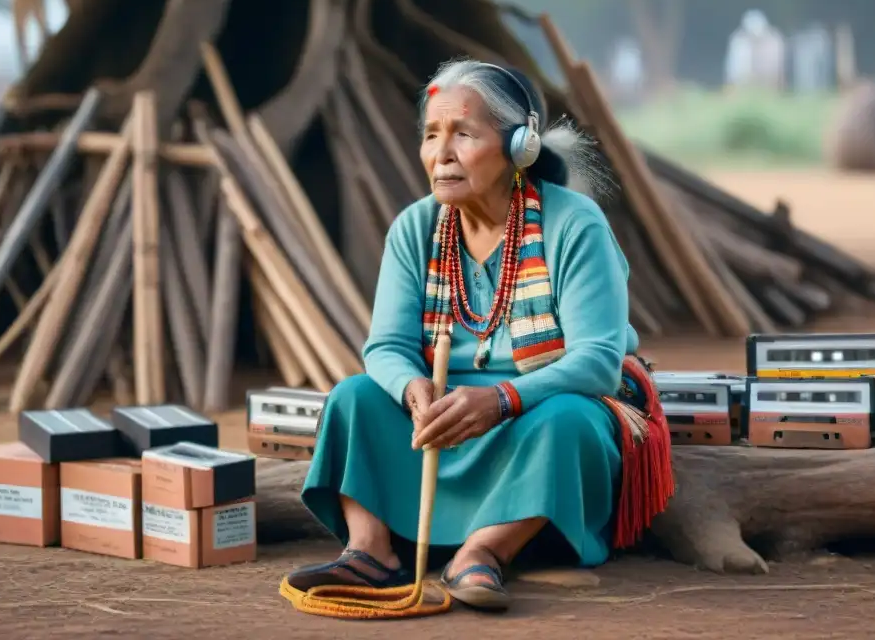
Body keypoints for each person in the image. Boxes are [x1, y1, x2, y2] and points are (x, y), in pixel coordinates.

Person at [286, 58, 673, 611]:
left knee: (570, 420)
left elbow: (597, 362)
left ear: (520, 147)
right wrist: (412, 392)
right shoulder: (414, 228)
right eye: (430, 135)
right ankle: (371, 551)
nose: (440, 154)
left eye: (463, 134)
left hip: (533, 416)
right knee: (353, 397)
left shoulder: (575, 224)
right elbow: (386, 348)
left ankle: (483, 552)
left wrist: (501, 399)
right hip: (442, 422)